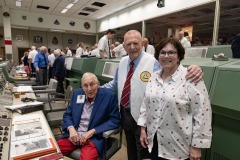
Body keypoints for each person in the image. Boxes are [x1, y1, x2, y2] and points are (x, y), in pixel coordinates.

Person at [103, 30, 203, 160]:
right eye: (129, 44)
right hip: (125, 114)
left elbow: (173, 69)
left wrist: (195, 68)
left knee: (143, 151)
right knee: (130, 148)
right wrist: (96, 89)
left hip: (144, 117)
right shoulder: (122, 62)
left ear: (142, 43)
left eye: (136, 43)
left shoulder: (153, 61)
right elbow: (114, 84)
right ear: (124, 46)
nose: (132, 47)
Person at [138, 38, 212, 160]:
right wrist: (142, 129)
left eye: (171, 52)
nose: (166, 56)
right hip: (154, 140)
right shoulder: (153, 78)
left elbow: (203, 112)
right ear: (158, 56)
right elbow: (145, 105)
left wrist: (197, 146)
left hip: (178, 145)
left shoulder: (190, 78)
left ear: (179, 56)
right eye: (162, 52)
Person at [57, 72, 120, 160]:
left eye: (92, 84)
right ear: (81, 86)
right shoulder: (77, 94)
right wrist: (71, 129)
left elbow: (114, 120)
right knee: (51, 153)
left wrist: (93, 131)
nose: (89, 89)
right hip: (73, 136)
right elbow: (68, 114)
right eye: (85, 85)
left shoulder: (109, 96)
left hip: (93, 138)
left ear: (98, 84)